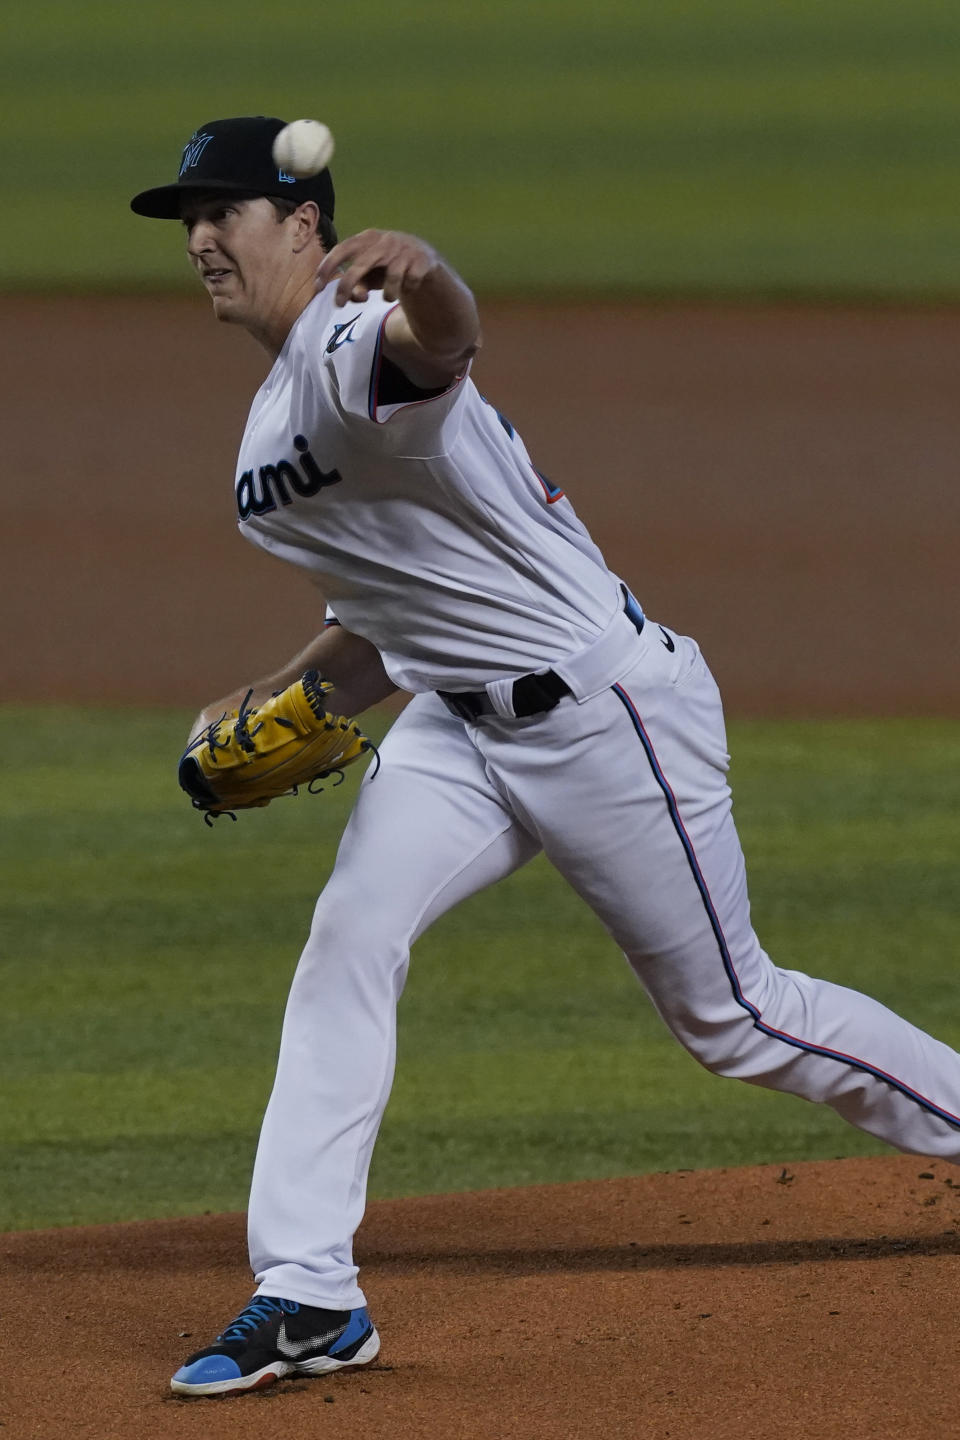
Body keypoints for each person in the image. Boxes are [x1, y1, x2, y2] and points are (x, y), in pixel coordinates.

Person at [132, 116, 960, 1399]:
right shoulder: (263, 439)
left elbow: (444, 341)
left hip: (607, 715)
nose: (198, 237)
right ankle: (307, 1292)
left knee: (734, 1018)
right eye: (186, 218)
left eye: (224, 211)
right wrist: (267, 692)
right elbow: (391, 628)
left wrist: (424, 270)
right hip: (459, 727)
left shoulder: (357, 345)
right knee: (350, 941)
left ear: (303, 224)